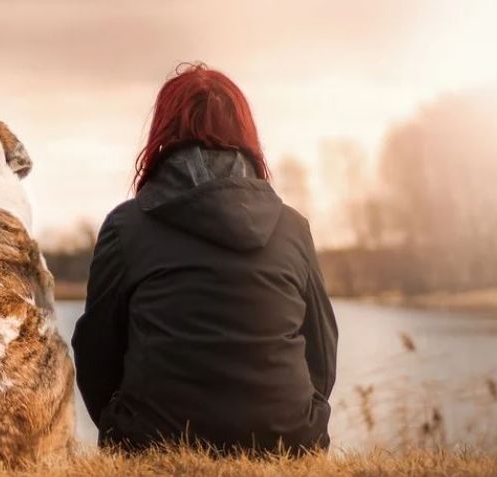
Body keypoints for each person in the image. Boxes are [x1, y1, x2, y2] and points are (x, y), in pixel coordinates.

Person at [71, 63, 338, 455]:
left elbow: (96, 353)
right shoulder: (292, 227)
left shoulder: (126, 228)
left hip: (153, 442)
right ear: (245, 134)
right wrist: (299, 419)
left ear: (163, 134)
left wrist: (120, 425)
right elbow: (322, 351)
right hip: (288, 442)